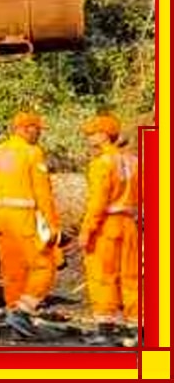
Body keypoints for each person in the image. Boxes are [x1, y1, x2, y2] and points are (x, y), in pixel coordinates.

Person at [0, 111, 61, 338]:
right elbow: (42, 192)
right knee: (45, 267)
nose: (39, 134)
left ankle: (14, 324)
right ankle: (24, 310)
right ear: (27, 129)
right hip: (24, 219)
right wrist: (52, 224)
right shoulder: (33, 153)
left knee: (12, 273)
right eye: (37, 129)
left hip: (2, 219)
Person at [79, 114, 139, 345]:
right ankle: (137, 328)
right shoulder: (134, 161)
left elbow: (98, 202)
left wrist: (87, 230)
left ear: (104, 135)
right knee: (131, 277)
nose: (89, 137)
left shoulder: (101, 163)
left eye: (92, 133)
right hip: (130, 224)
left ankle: (105, 329)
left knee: (102, 276)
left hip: (107, 225)